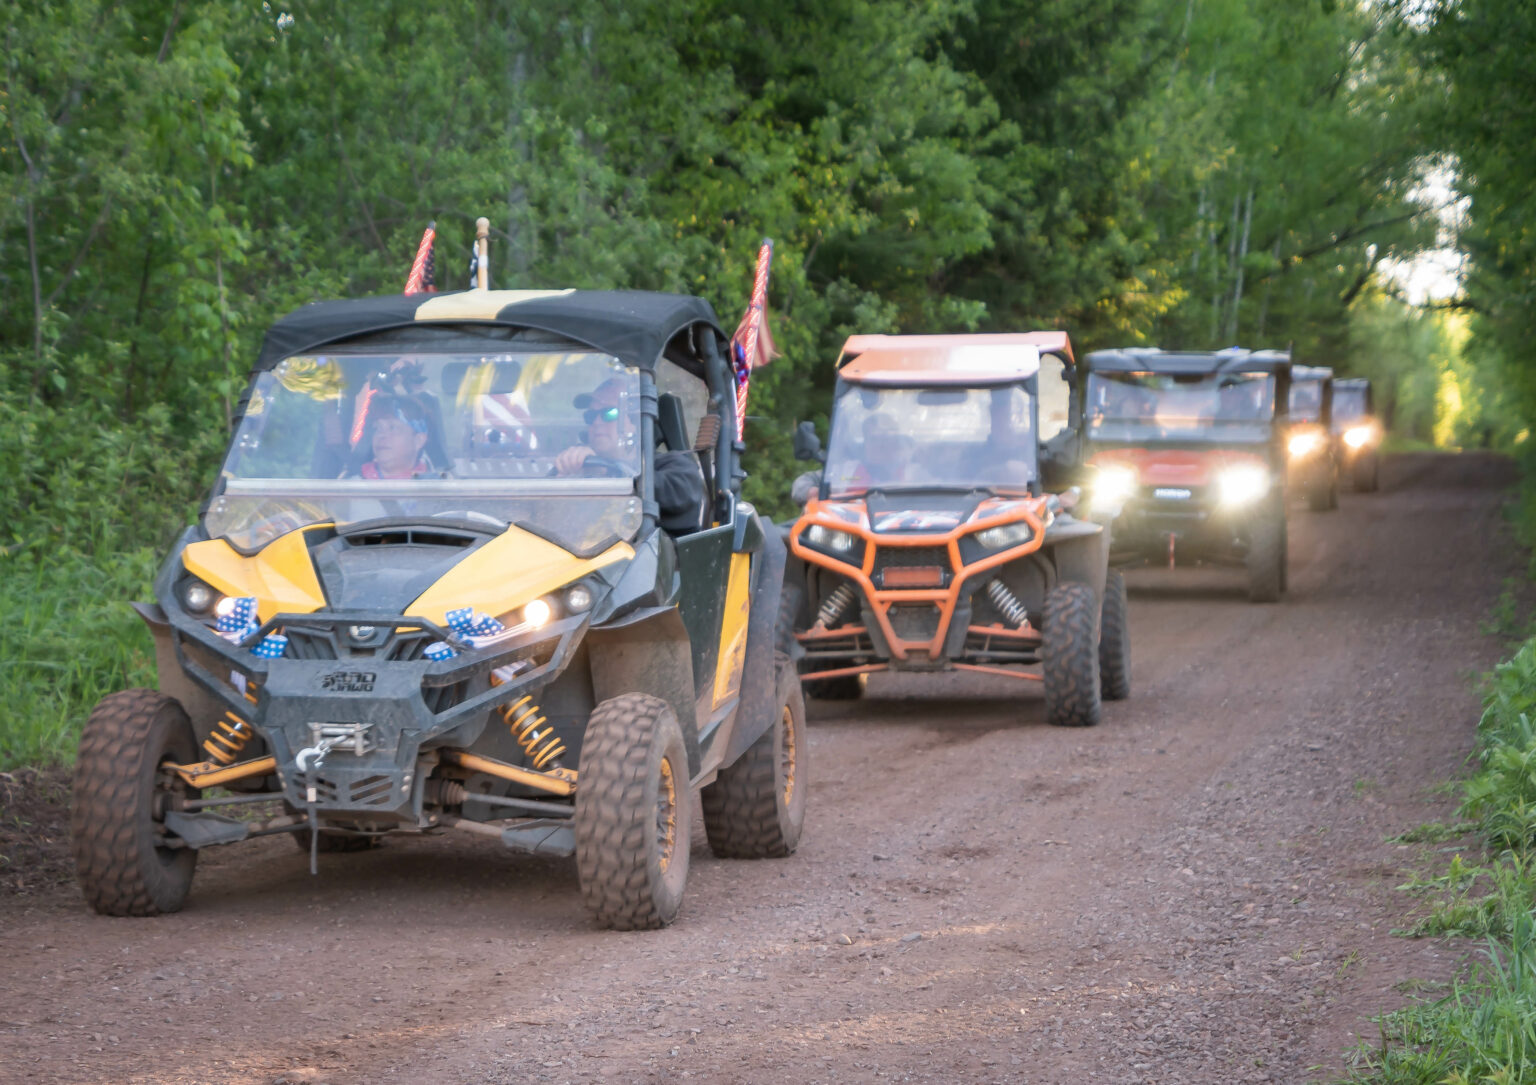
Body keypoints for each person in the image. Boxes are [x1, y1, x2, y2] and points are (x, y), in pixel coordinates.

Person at [555, 376, 707, 535]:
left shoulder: (674, 466)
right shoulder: (578, 468)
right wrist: (561, 482)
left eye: (610, 413)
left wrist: (610, 473)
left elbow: (682, 493)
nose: (597, 422)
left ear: (636, 421)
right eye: (591, 416)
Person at [352, 395, 436, 479]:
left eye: (392, 428)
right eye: (377, 428)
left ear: (418, 441)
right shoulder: (349, 487)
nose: (381, 435)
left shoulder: (439, 487)